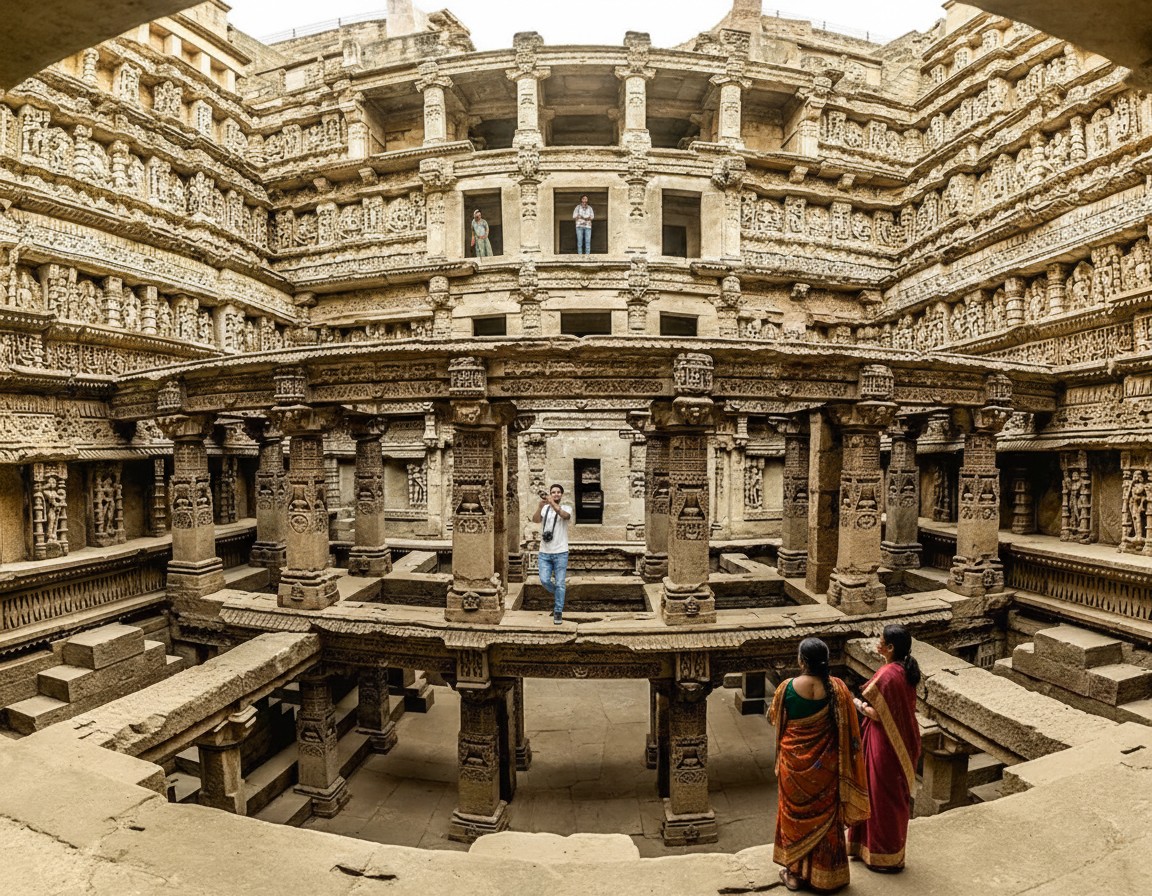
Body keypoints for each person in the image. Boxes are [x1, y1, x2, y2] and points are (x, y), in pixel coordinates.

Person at [771, 638, 869, 893]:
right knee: (827, 817)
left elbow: (775, 719)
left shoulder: (786, 688)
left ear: (801, 661)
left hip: (793, 766)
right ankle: (827, 875)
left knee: (793, 817)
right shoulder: (837, 689)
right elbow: (847, 728)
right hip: (826, 767)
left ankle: (794, 874)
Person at [847, 624, 922, 873]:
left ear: (890, 648)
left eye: (880, 640)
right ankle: (881, 850)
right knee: (892, 797)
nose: (877, 643)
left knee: (880, 798)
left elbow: (877, 714)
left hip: (885, 744)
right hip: (905, 739)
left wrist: (856, 703)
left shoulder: (888, 674)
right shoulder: (906, 669)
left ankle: (882, 853)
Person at [532, 483, 572, 624]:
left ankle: (558, 611)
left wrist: (551, 502)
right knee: (544, 580)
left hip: (561, 552)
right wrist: (540, 506)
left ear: (561, 495)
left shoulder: (566, 507)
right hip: (544, 552)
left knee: (560, 583)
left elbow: (564, 516)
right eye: (553, 492)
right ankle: (560, 594)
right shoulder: (545, 508)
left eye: (558, 492)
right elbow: (535, 520)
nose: (555, 494)